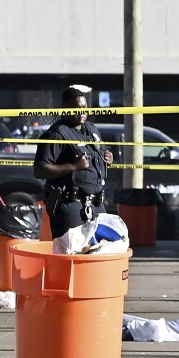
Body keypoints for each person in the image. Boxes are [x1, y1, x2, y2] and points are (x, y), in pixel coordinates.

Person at [33, 86, 113, 241]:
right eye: (76, 107)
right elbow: (40, 170)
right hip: (71, 205)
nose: (81, 111)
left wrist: (108, 158)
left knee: (99, 251)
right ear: (65, 109)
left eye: (84, 107)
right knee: (73, 254)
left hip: (96, 204)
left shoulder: (91, 129)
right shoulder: (56, 134)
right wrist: (73, 167)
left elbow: (101, 152)